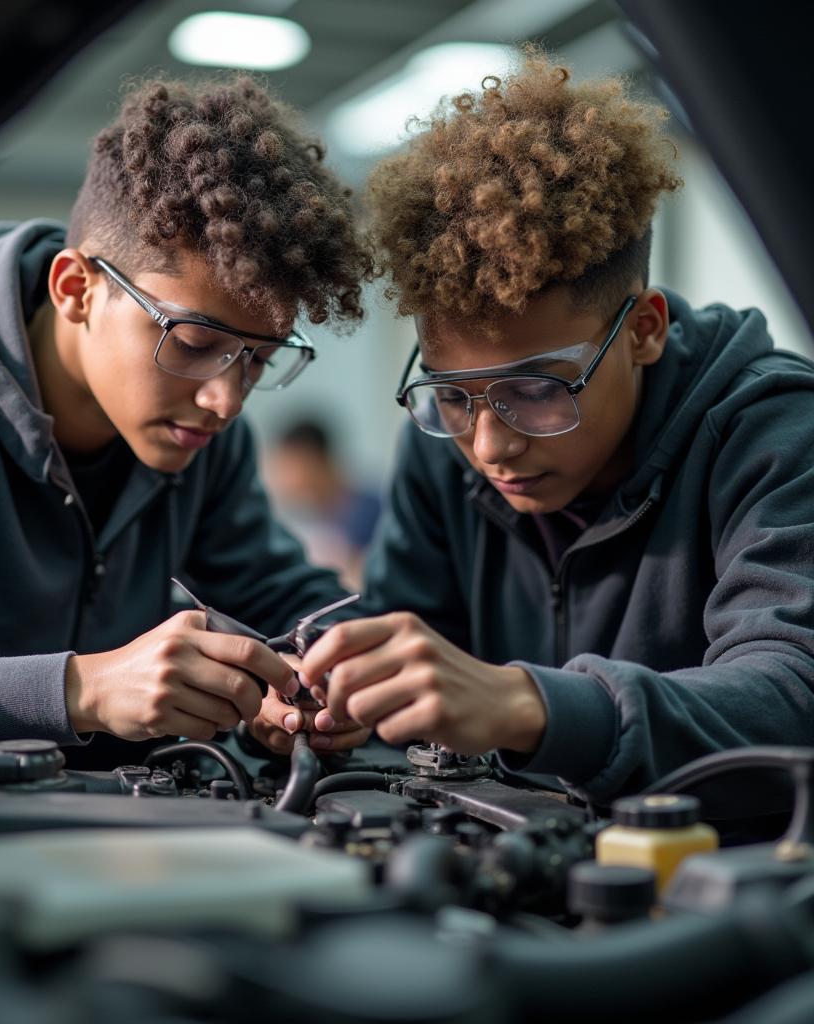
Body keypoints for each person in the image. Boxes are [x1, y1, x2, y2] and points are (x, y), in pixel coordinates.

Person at [260, 51, 814, 821]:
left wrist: (532, 706)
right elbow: (412, 641)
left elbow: (791, 692)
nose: (489, 447)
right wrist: (346, 700)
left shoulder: (776, 435)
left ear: (644, 332)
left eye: (536, 391)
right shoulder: (441, 444)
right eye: (453, 394)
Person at [0, 74, 374, 765]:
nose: (227, 400)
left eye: (258, 360)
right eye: (192, 344)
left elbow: (280, 600)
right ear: (76, 289)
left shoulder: (203, 437)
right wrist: (77, 690)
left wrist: (324, 677)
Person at [262, 416, 382, 590]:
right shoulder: (308, 517)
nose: (283, 479)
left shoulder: (371, 512)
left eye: (290, 467)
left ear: (314, 460)